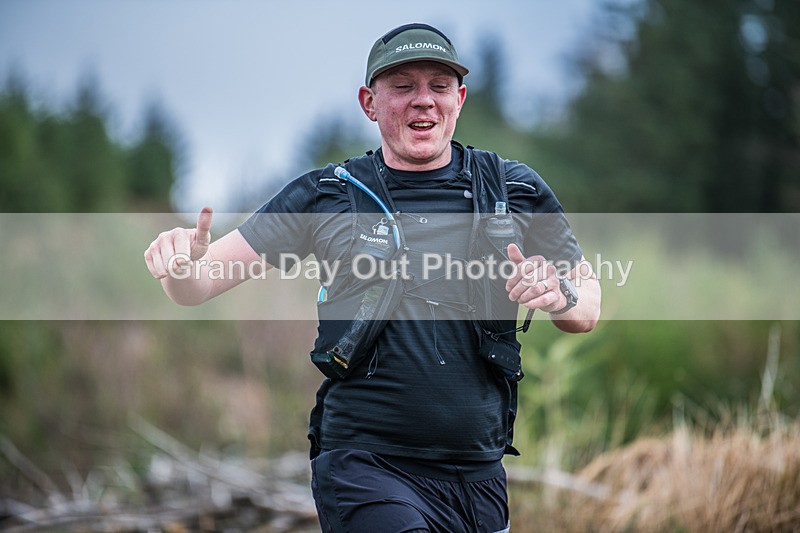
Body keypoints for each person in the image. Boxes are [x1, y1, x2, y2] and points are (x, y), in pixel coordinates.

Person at [144, 22, 600, 533]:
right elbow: (199, 284)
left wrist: (561, 295)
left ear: (460, 98)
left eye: (439, 86)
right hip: (366, 465)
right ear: (370, 102)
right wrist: (180, 265)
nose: (423, 101)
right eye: (403, 86)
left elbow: (587, 307)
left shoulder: (513, 189)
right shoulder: (326, 196)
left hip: (479, 473)